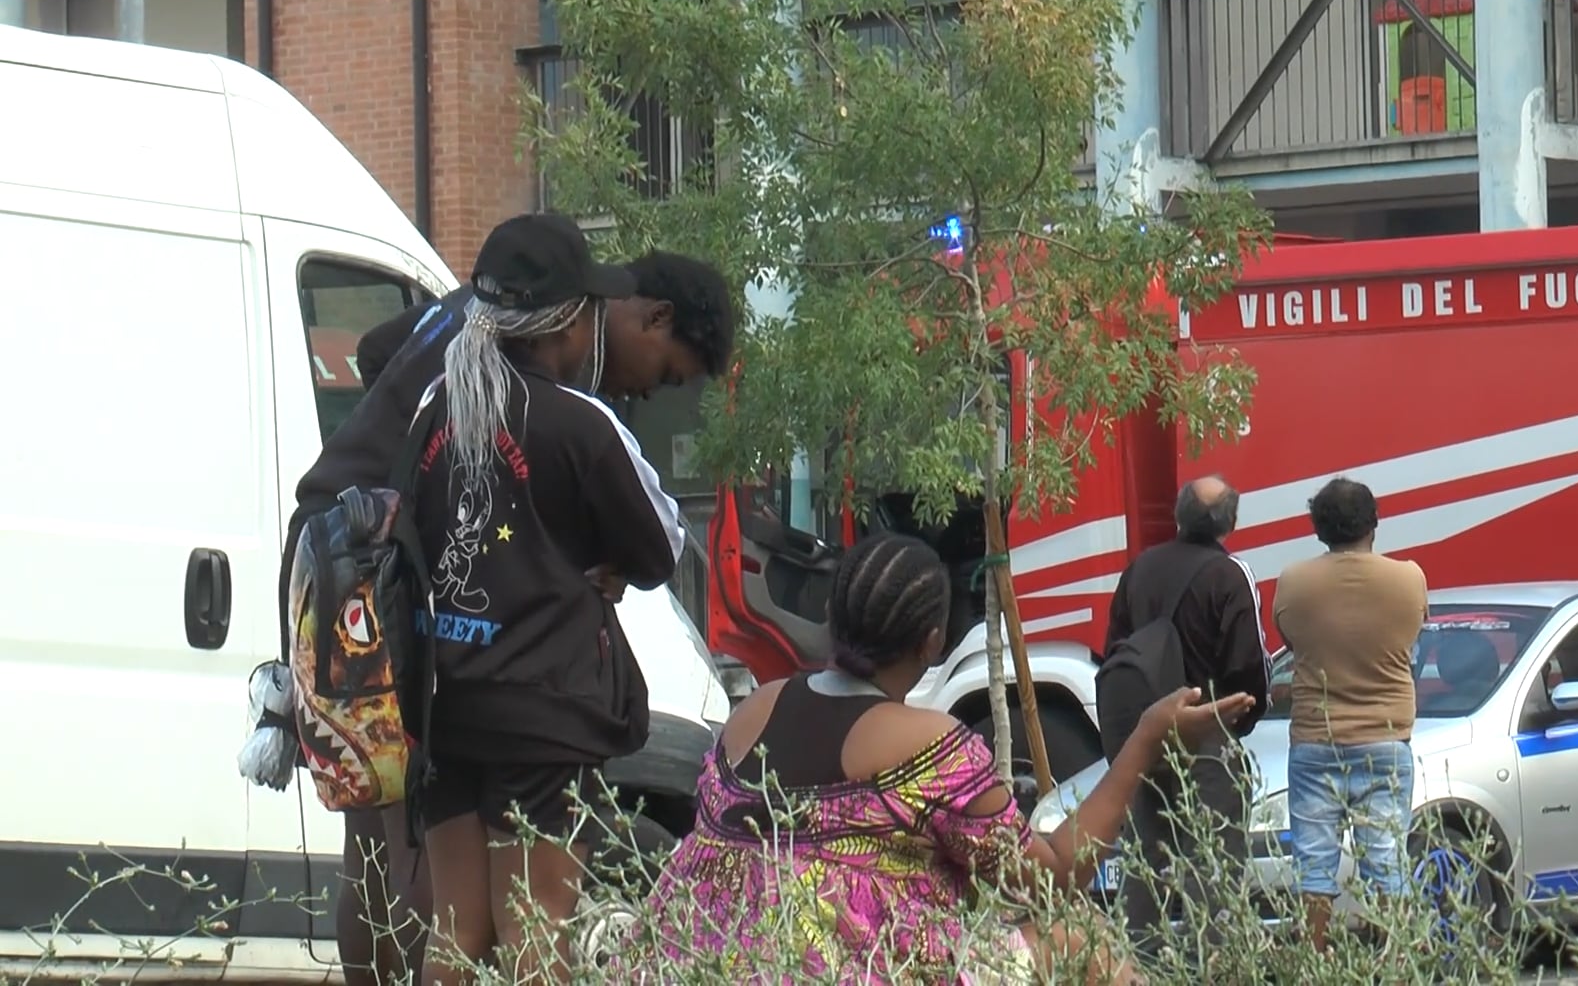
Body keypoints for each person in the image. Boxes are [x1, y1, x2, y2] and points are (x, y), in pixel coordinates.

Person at [277, 213, 735, 986]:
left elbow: (378, 351)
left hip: (368, 596)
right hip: (486, 668)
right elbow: (657, 549)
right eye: (663, 374)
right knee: (510, 919)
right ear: (587, 318)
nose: (644, 393)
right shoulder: (572, 416)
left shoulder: (452, 367)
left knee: (406, 870)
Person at [638, 533, 1256, 984]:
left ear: (832, 615)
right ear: (933, 641)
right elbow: (1052, 878)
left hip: (700, 956)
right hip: (843, 968)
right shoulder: (928, 742)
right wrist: (1145, 740)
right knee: (1081, 947)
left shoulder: (756, 707)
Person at [404, 220, 722, 985]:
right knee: (536, 934)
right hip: (544, 714)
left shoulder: (434, 409)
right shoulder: (581, 426)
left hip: (445, 703)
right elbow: (656, 552)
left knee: (454, 932)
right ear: (571, 319)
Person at [1103, 475, 1270, 942]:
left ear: (1178, 515)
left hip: (1147, 737)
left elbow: (1114, 647)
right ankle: (1212, 964)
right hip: (1207, 738)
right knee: (1214, 865)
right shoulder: (1230, 575)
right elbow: (1248, 666)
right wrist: (1240, 722)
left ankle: (1137, 962)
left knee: (1145, 861)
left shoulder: (1138, 569)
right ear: (1231, 521)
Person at [1272, 477, 1428, 952]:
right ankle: (1398, 969)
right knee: (1388, 862)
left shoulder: (1293, 582)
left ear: (1318, 529)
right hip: (1386, 739)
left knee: (1314, 867)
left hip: (1316, 740)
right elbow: (1416, 632)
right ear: (1374, 524)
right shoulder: (1409, 578)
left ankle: (1315, 965)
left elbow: (1291, 641)